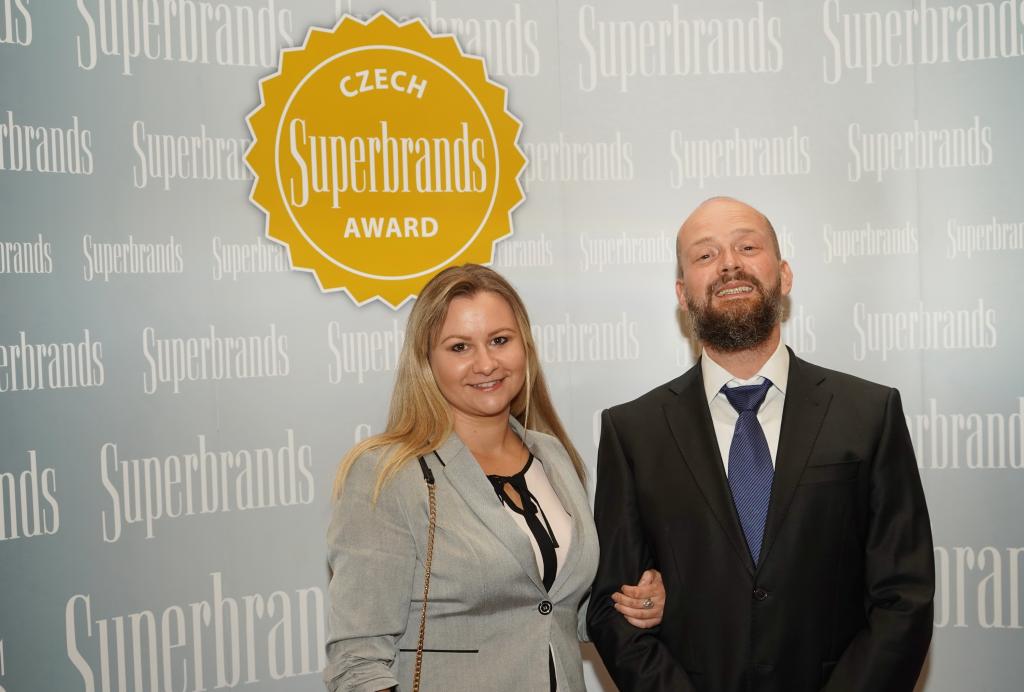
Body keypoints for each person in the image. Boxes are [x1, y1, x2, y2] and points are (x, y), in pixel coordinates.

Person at [587, 197, 934, 692]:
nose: (729, 264)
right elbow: (614, 609)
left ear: (784, 276)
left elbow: (904, 596)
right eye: (705, 255)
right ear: (683, 293)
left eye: (747, 247)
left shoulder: (869, 413)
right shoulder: (632, 432)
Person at [324, 264, 665, 692]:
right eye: (459, 347)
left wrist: (634, 603)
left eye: (500, 340)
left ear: (525, 347)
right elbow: (357, 663)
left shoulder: (553, 457)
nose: (486, 364)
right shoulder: (388, 474)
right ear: (426, 362)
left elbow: (560, 609)